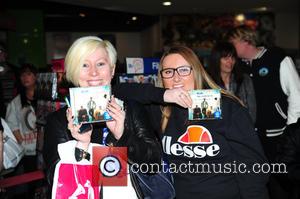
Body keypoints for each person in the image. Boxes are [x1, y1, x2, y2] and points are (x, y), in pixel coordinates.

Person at [115, 45, 269, 199]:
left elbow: (253, 169)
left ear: (196, 71)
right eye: (168, 72)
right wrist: (163, 95)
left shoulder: (226, 107)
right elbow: (118, 91)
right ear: (162, 77)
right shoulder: (163, 110)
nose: (176, 78)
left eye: (183, 70)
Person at [42, 36, 161, 198]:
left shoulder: (131, 110)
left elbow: (153, 166)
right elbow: (54, 179)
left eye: (100, 64)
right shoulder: (59, 120)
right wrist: (81, 145)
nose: (93, 73)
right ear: (73, 72)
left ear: (112, 70)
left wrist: (122, 135)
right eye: (84, 65)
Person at [207, 41, 256, 122]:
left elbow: (252, 110)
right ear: (216, 59)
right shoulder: (208, 82)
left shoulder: (244, 80)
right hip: (218, 130)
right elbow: (207, 115)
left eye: (232, 57)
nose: (230, 61)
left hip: (242, 128)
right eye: (226, 58)